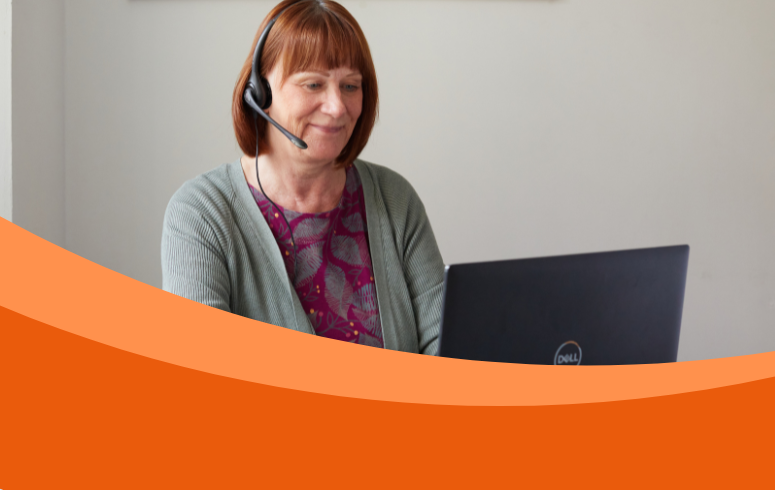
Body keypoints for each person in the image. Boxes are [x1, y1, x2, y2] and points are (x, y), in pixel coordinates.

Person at [162, 0, 444, 355]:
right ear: (260, 94)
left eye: (350, 86)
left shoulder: (395, 199)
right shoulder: (201, 215)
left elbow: (449, 351)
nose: (338, 107)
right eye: (313, 85)